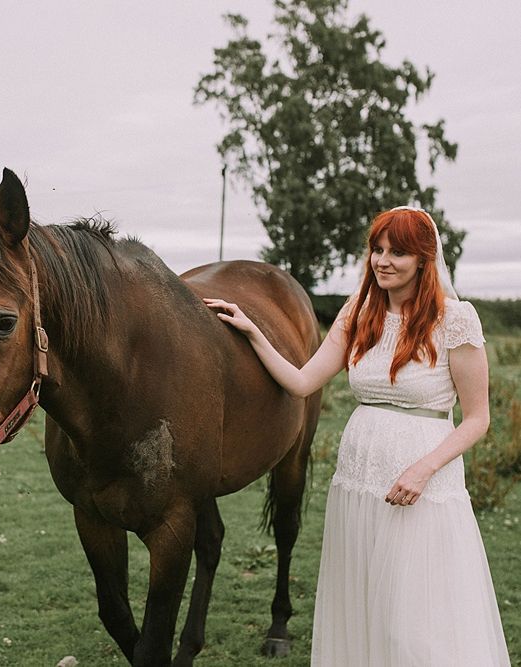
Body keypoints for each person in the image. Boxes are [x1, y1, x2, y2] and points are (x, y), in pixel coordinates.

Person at [204, 207, 511, 666]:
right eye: (377, 249)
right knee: (366, 604)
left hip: (422, 484)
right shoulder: (358, 314)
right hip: (358, 482)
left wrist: (424, 468)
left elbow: (477, 419)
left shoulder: (457, 321)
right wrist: (252, 332)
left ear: (424, 259)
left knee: (415, 619)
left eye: (398, 252)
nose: (383, 261)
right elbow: (301, 383)